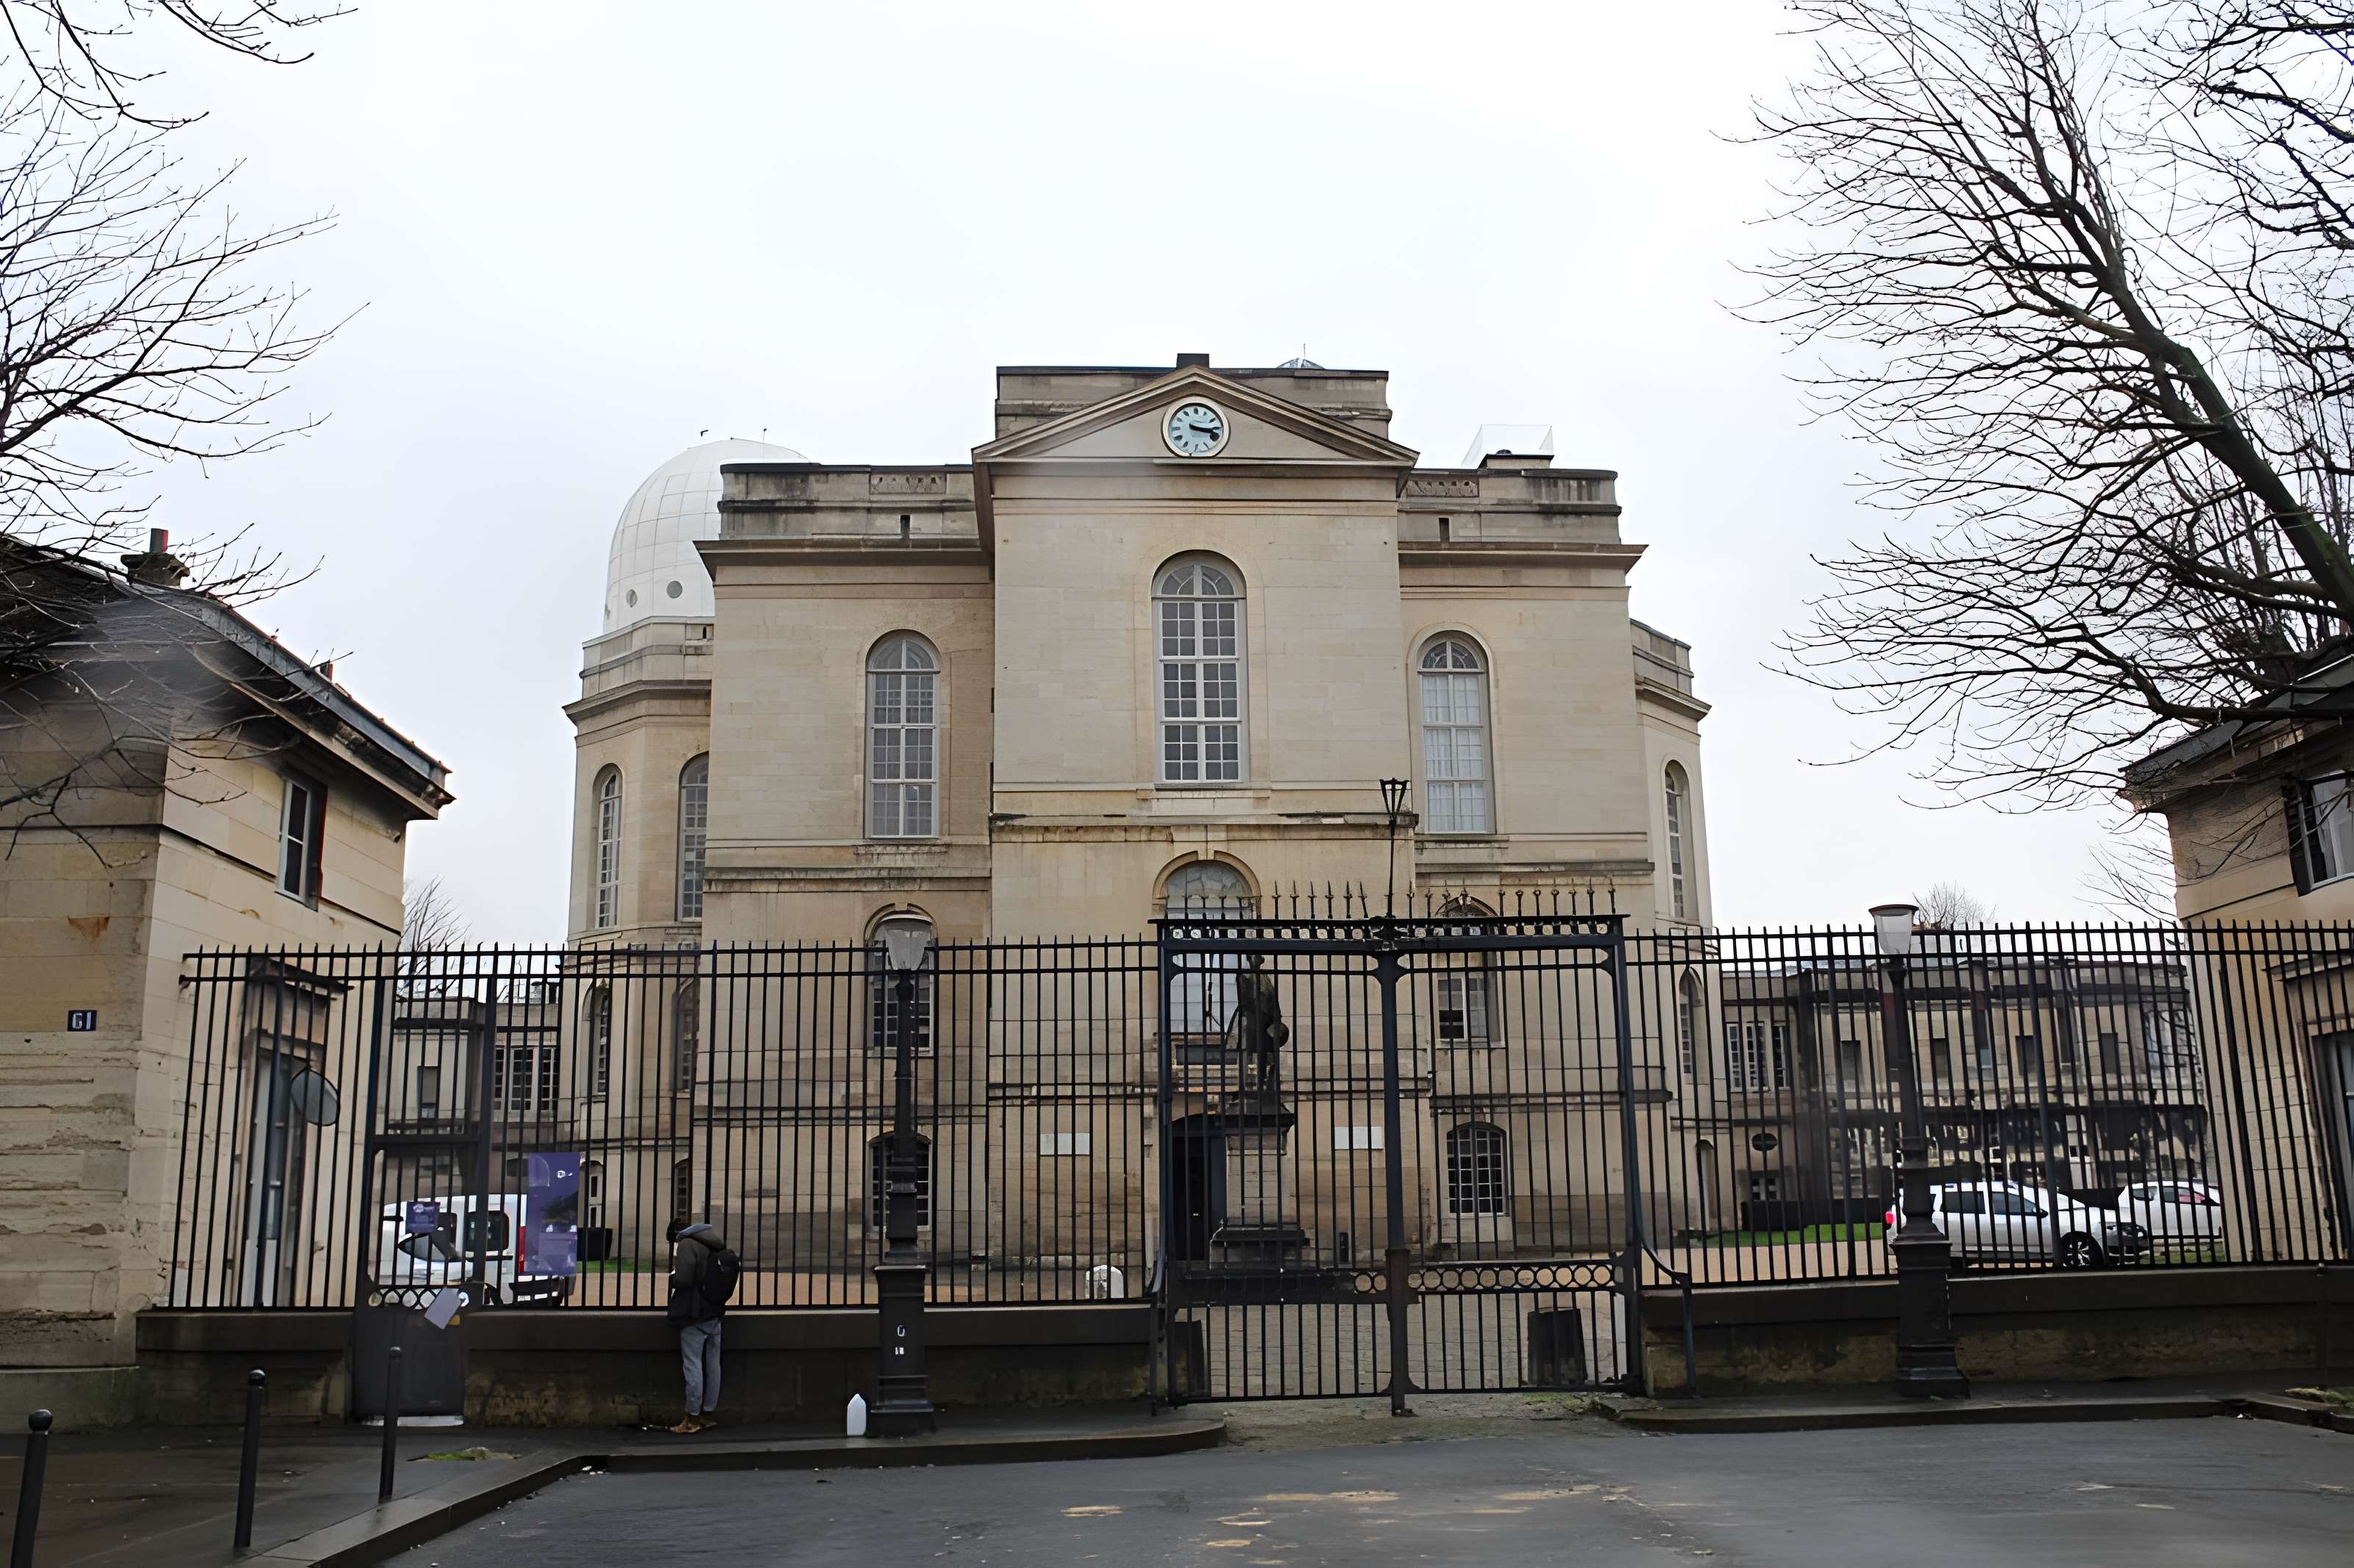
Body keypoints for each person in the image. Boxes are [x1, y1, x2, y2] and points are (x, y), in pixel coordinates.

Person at [666, 1218, 731, 1433]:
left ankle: (692, 1419)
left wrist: (673, 1278)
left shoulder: (687, 1244)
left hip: (695, 1314)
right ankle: (707, 1414)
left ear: (677, 1235)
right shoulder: (714, 1243)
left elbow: (684, 1280)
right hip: (715, 1312)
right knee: (714, 1364)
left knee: (692, 1364)